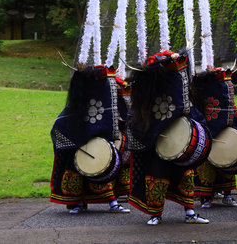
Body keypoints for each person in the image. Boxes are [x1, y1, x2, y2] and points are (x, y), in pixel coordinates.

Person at [126, 50, 209, 225]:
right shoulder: (148, 96)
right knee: (157, 175)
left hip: (179, 140)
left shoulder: (179, 94)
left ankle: (190, 212)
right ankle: (155, 214)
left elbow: (187, 109)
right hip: (157, 143)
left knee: (186, 175)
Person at [50, 65, 130, 214]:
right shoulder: (78, 103)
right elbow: (60, 125)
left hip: (102, 141)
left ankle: (112, 202)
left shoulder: (109, 94)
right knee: (76, 160)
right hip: (82, 144)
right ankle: (78, 201)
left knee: (108, 157)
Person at [191, 67, 237, 208]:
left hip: (225, 133)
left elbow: (232, 110)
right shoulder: (206, 92)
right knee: (207, 166)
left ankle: (227, 195)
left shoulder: (225, 95)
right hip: (210, 133)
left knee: (227, 162)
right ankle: (206, 198)